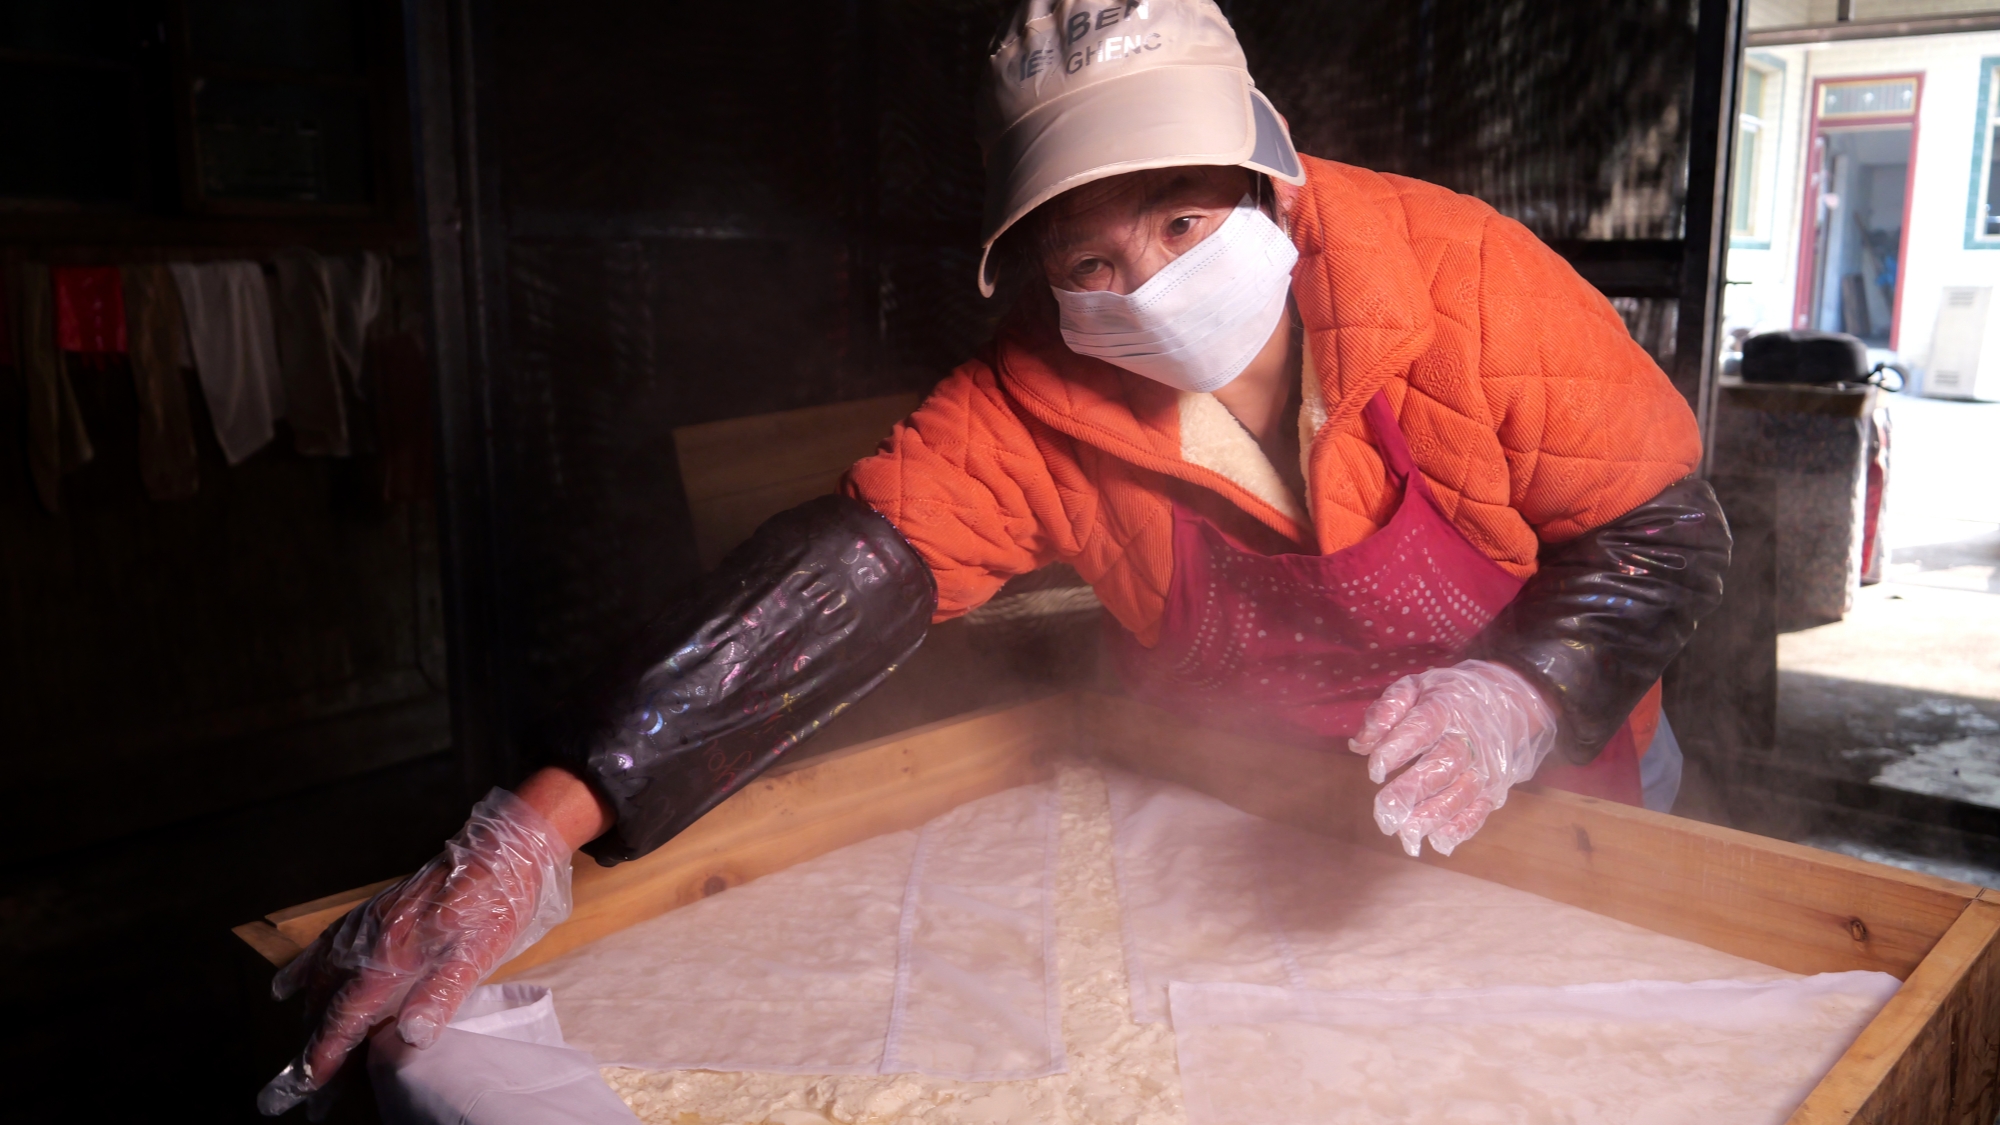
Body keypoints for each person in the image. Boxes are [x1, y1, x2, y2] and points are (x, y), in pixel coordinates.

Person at [258, 0, 1728, 1112]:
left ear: (1272, 176)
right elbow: (833, 587)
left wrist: (1522, 695)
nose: (1146, 285)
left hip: (1565, 806)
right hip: (1263, 815)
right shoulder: (1035, 396)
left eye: (1182, 217)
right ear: (1035, 274)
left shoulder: (1462, 277)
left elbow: (1663, 521)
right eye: (1089, 261)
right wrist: (532, 826)